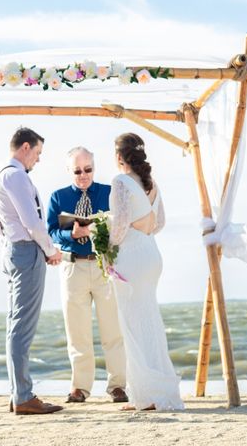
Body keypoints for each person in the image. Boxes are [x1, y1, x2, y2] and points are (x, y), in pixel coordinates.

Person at [106, 132, 184, 411]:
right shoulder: (152, 184)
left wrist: (104, 241)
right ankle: (154, 391)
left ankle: (147, 395)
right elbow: (159, 223)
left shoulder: (120, 182)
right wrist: (143, 227)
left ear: (118, 157)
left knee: (133, 325)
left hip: (132, 257)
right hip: (152, 255)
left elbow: (119, 227)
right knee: (149, 320)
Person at [47, 146, 127, 404]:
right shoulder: (57, 197)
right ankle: (80, 387)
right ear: (68, 170)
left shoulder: (108, 192)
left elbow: (122, 222)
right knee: (77, 331)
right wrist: (72, 234)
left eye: (88, 169)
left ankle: (117, 386)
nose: (83, 175)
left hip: (104, 265)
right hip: (73, 267)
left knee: (112, 330)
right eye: (77, 171)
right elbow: (49, 232)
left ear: (94, 167)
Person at [0, 127, 63, 415]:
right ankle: (23, 395)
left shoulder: (2, 175)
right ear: (25, 148)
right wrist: (50, 250)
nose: (38, 159)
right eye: (37, 153)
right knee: (22, 327)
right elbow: (32, 222)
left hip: (12, 249)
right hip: (25, 250)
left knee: (15, 324)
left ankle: (17, 393)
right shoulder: (16, 176)